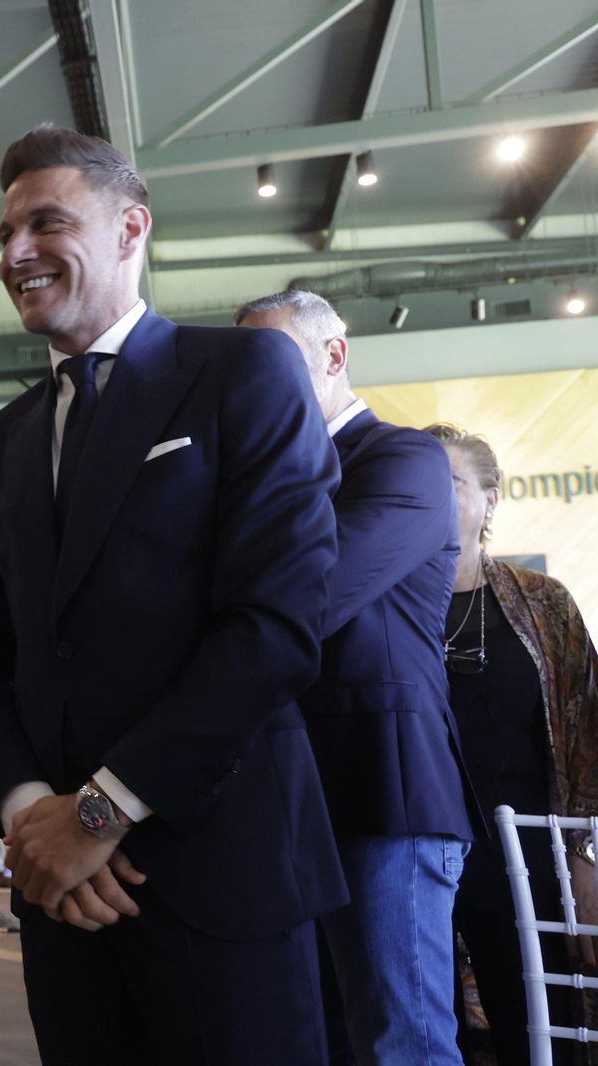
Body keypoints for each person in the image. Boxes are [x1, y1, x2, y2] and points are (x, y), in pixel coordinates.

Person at [0, 124, 345, 1065]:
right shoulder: (0, 442)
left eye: (47, 223)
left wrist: (100, 813)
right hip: (60, 894)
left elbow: (276, 625)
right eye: (5, 234)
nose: (15, 253)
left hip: (220, 875)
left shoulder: (242, 372)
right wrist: (32, 814)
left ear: (131, 229)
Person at [237, 290, 477, 1066]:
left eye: (270, 362)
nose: (252, 384)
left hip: (387, 795)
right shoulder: (260, 482)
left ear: (333, 355)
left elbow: (309, 598)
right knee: (321, 1041)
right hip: (292, 798)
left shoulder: (404, 460)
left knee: (402, 1043)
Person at [428, 424, 598, 1066]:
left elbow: (587, 740)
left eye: (448, 480)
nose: (427, 494)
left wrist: (584, 861)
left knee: (544, 1041)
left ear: (490, 498)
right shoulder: (380, 603)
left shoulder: (544, 603)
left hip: (531, 867)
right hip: (420, 866)